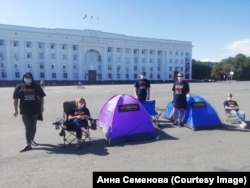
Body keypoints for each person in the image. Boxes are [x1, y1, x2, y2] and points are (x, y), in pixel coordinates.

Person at [13, 72, 46, 152]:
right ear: (23, 78)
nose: (28, 79)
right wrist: (15, 109)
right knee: (28, 126)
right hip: (24, 111)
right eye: (26, 78)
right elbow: (15, 99)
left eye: (29, 78)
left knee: (33, 126)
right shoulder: (19, 87)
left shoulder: (36, 86)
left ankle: (31, 139)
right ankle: (28, 144)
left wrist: (42, 106)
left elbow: (41, 97)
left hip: (35, 110)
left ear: (32, 78)